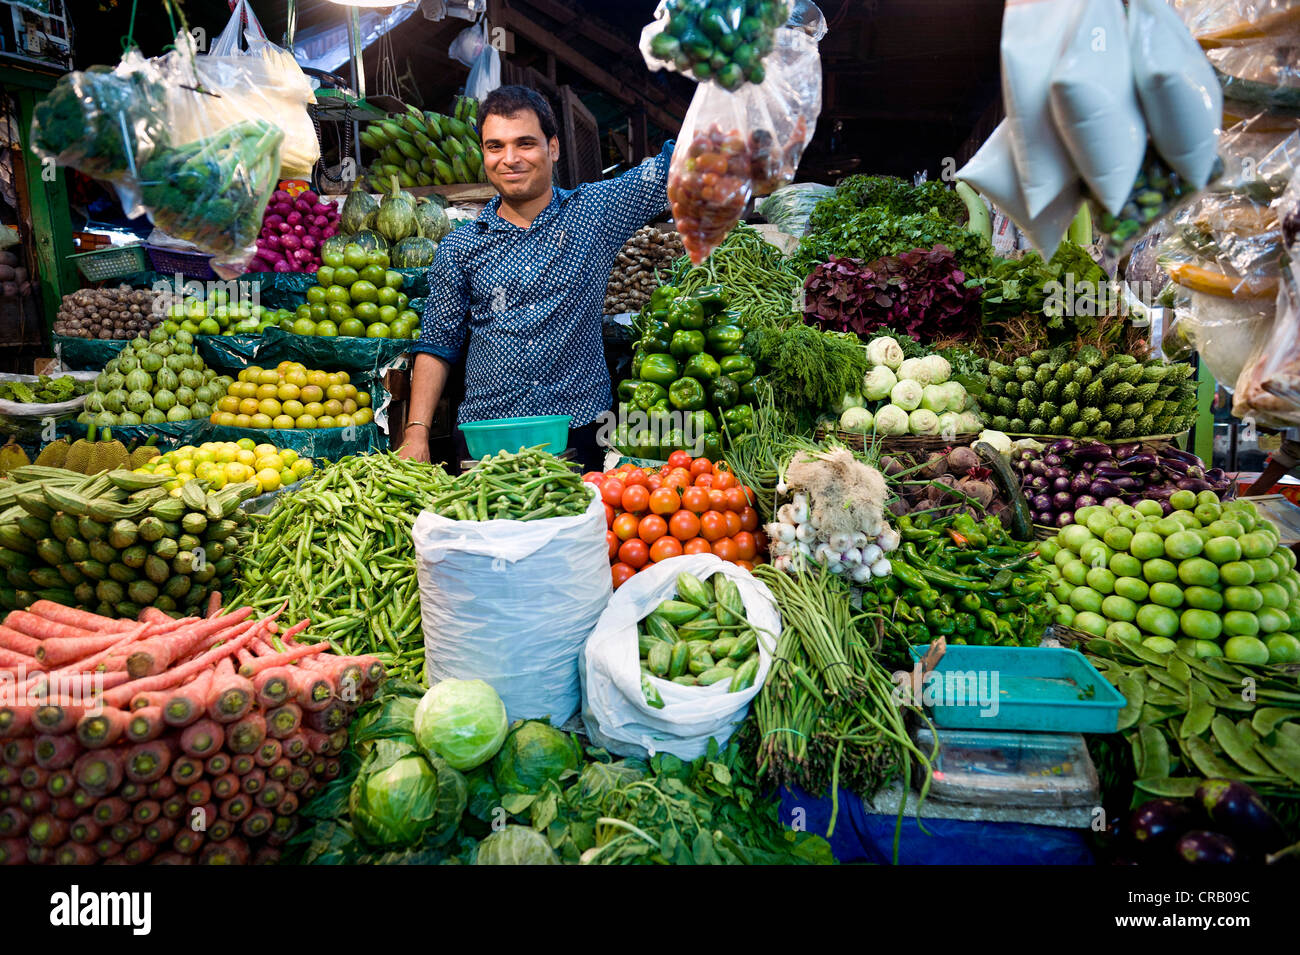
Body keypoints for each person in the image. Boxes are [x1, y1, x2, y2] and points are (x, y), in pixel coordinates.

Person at [399, 85, 674, 471]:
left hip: (578, 431)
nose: (509, 159)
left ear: (554, 148)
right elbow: (437, 345)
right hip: (487, 437)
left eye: (525, 143)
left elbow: (674, 169)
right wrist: (416, 432)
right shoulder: (460, 246)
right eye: (495, 146)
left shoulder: (594, 212)